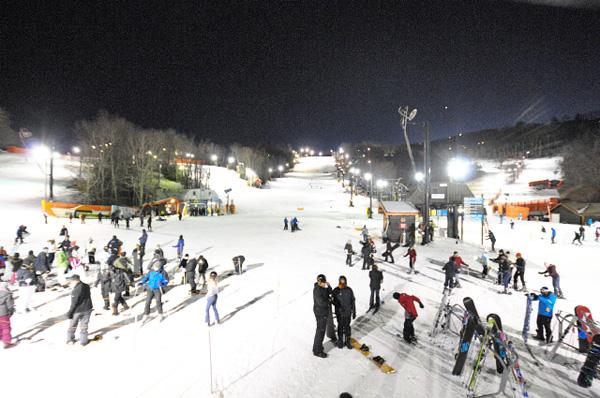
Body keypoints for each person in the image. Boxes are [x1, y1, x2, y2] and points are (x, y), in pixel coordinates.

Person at [66, 274, 93, 346]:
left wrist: (70, 312)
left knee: (73, 325)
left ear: (75, 280)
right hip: (87, 308)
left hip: (77, 311)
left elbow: (74, 303)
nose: (71, 282)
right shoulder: (86, 286)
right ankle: (83, 341)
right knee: (84, 326)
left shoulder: (76, 290)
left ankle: (70, 339)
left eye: (71, 281)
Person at [332, 275, 356, 349]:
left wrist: (354, 311)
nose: (342, 282)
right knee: (340, 327)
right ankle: (340, 342)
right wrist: (338, 306)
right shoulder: (336, 290)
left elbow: (353, 301)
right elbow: (333, 301)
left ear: (345, 281)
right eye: (341, 280)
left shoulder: (349, 290)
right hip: (339, 313)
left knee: (347, 328)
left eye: (344, 280)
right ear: (339, 281)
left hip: (348, 313)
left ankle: (347, 342)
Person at [312, 274, 333, 358]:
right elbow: (321, 302)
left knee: (321, 330)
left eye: (325, 282)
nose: (324, 284)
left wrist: (329, 286)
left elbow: (330, 292)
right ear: (319, 281)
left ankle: (318, 346)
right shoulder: (317, 290)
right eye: (323, 282)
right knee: (320, 331)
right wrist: (329, 301)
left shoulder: (322, 288)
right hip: (320, 312)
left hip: (323, 312)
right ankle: (317, 351)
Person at [0, 282, 15, 348]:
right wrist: (11, 311)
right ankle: (7, 342)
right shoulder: (7, 294)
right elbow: (10, 305)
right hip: (3, 314)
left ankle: (1, 337)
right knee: (6, 327)